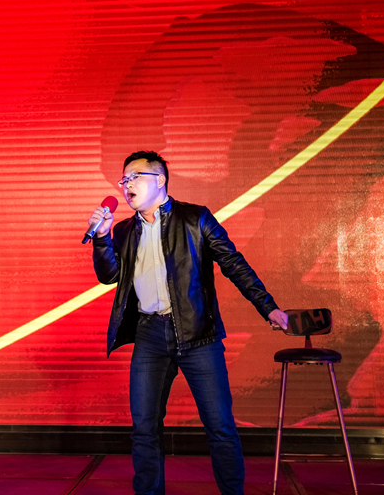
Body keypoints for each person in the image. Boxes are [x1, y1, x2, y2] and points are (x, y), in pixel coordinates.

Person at [89, 151, 288, 495]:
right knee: (144, 428)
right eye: (124, 179)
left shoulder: (196, 218)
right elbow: (108, 276)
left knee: (220, 427)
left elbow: (233, 263)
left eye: (135, 177)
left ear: (160, 179)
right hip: (150, 335)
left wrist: (268, 307)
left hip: (198, 334)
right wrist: (101, 238)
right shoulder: (123, 230)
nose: (126, 185)